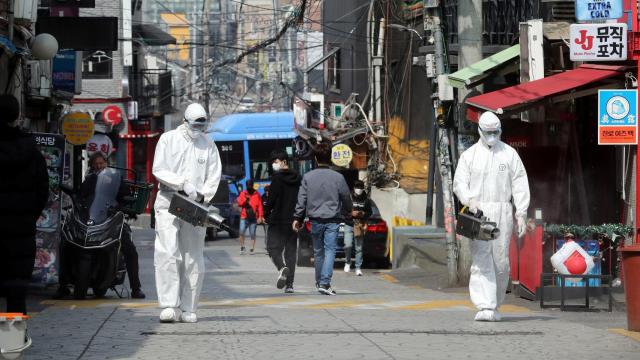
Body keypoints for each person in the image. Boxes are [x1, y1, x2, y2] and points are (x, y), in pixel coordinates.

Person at [453, 111, 530, 322]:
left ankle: (495, 303)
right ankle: (484, 305)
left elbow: (520, 183)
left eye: (495, 132)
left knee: (501, 260)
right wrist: (470, 200)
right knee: (481, 258)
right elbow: (459, 182)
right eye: (488, 132)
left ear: (500, 130)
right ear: (480, 131)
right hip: (479, 213)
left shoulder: (509, 154)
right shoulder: (469, 156)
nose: (492, 136)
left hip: (503, 210)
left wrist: (521, 213)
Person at [152, 103, 222, 323]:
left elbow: (214, 174)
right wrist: (181, 184)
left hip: (195, 206)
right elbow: (159, 169)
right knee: (167, 252)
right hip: (168, 199)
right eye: (195, 124)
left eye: (203, 125)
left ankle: (189, 307)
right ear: (185, 121)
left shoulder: (208, 144)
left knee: (193, 256)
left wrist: (202, 196)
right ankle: (169, 304)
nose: (198, 129)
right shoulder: (168, 139)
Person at [54, 152, 146, 299]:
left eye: (101, 163)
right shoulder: (89, 181)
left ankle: (136, 287)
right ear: (91, 166)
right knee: (66, 242)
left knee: (129, 247)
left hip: (110, 220)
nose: (98, 166)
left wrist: (123, 206)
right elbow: (79, 197)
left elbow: (125, 196)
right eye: (95, 164)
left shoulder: (116, 180)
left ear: (106, 163)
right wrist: (76, 203)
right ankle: (63, 285)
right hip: (89, 222)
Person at [0, 94, 49, 314]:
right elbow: (42, 192)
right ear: (18, 115)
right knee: (17, 290)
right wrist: (28, 215)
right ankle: (15, 340)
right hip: (21, 230)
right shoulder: (32, 152)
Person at [293, 142, 352, 295]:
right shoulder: (338, 177)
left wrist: (298, 218)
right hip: (332, 219)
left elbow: (302, 199)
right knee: (330, 250)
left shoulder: (307, 177)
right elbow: (346, 197)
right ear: (331, 157)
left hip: (315, 220)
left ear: (316, 159)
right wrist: (348, 212)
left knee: (318, 252)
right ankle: (325, 283)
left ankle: (319, 281)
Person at [265, 150, 301, 293]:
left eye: (276, 161)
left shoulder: (277, 179)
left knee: (272, 248)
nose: (274, 164)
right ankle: (290, 285)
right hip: (293, 221)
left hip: (278, 221)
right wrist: (299, 218)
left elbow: (271, 200)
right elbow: (302, 199)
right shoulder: (298, 178)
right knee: (291, 253)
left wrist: (266, 214)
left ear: (284, 161)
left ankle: (281, 268)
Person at [343, 180, 372, 277]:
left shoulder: (366, 200)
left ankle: (358, 267)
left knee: (359, 247)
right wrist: (351, 214)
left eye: (360, 187)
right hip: (349, 224)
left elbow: (369, 212)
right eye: (357, 187)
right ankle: (347, 262)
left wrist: (363, 214)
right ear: (354, 188)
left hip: (359, 224)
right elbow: (342, 211)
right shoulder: (349, 198)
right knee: (347, 245)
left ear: (363, 188)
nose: (359, 189)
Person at [237, 178, 264, 254]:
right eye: (248, 185)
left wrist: (260, 216)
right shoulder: (243, 193)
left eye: (250, 185)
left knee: (252, 233)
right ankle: (242, 247)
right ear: (246, 186)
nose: (249, 187)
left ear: (252, 185)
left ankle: (252, 248)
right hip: (244, 216)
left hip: (253, 217)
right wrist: (246, 201)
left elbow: (260, 206)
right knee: (241, 231)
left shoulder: (257, 194)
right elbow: (239, 203)